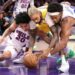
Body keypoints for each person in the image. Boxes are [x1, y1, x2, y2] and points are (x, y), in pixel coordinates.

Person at [43, 3, 75, 72]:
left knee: (63, 38)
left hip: (72, 23)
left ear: (61, 13)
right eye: (52, 18)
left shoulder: (67, 19)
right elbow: (55, 35)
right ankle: (64, 61)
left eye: (55, 17)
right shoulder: (48, 15)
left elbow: (63, 43)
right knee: (59, 33)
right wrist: (48, 49)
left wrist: (48, 53)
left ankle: (67, 54)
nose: (53, 20)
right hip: (66, 22)